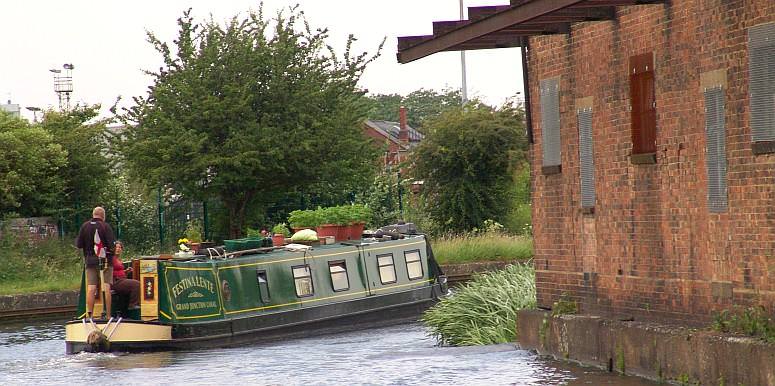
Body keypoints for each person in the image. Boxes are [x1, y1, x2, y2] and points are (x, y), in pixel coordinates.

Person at [75, 206, 116, 319]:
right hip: (105, 261)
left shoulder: (84, 226)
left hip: (90, 261)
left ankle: (90, 316)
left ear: (93, 214)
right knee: (106, 287)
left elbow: (79, 245)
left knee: (91, 288)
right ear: (103, 216)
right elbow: (112, 246)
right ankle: (108, 315)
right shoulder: (105, 226)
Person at [112, 241, 141, 313]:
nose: (118, 249)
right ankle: (132, 305)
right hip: (115, 281)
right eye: (116, 247)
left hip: (121, 280)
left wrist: (126, 271)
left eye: (120, 247)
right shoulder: (111, 259)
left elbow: (118, 271)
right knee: (136, 284)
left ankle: (126, 310)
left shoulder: (118, 259)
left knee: (135, 283)